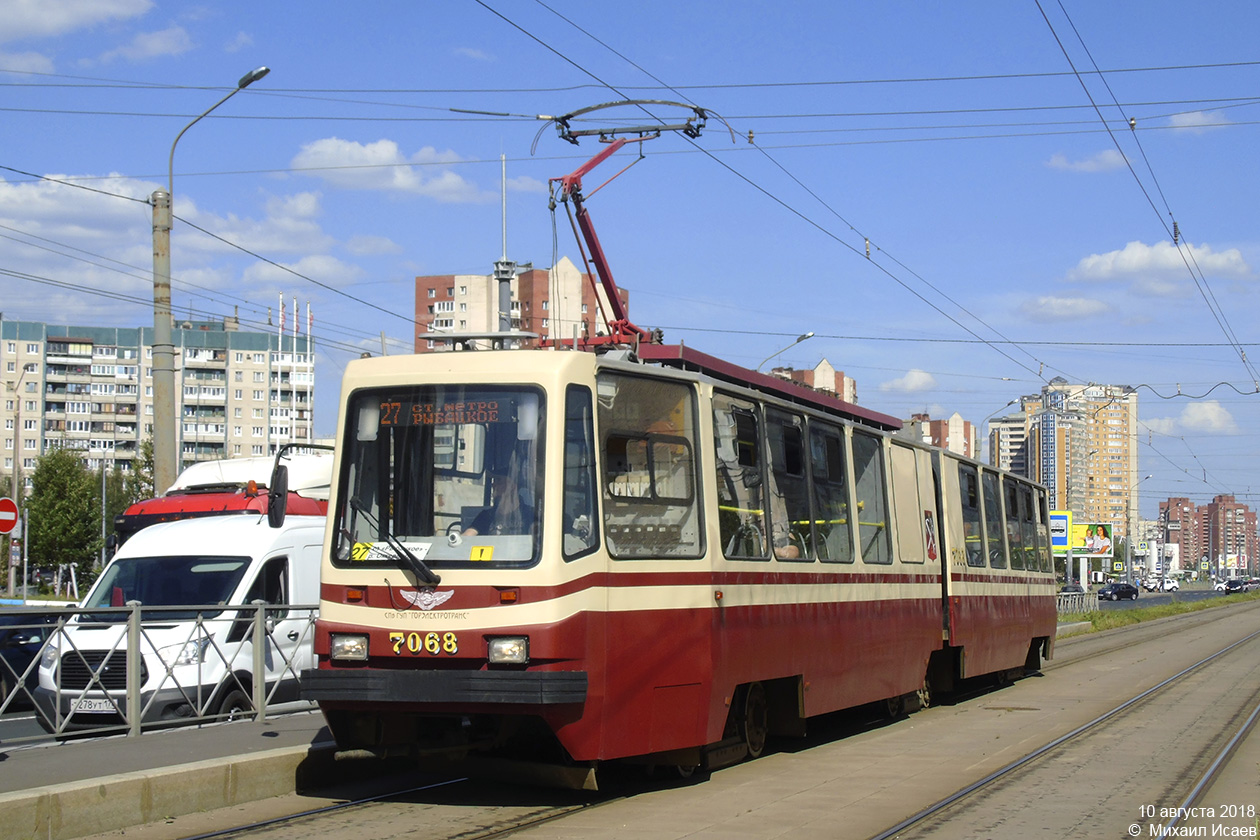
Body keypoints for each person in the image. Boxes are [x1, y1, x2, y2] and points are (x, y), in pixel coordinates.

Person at [463, 465, 534, 536]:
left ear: (512, 486)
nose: (493, 484)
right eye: (494, 481)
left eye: (499, 480)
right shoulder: (486, 516)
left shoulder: (530, 514)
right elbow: (467, 537)